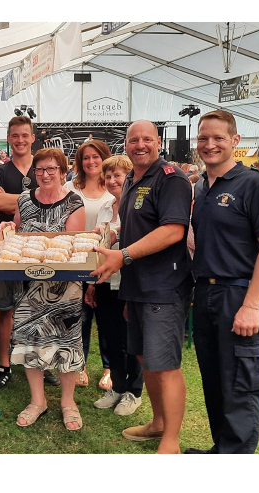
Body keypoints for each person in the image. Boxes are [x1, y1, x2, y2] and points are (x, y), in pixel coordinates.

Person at [92, 120, 192, 454]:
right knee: (145, 357)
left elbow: (173, 230)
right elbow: (139, 227)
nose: (140, 145)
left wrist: (122, 255)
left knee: (165, 364)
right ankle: (159, 422)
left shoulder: (171, 178)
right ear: (126, 145)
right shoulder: (133, 179)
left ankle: (171, 442)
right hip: (136, 286)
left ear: (158, 142)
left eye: (147, 139)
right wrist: (113, 237)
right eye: (133, 140)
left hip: (163, 286)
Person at [187, 109, 259, 454]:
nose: (209, 144)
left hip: (239, 293)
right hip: (206, 292)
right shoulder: (201, 185)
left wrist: (251, 304)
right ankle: (221, 451)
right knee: (214, 380)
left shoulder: (255, 184)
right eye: (203, 138)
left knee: (240, 383)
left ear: (235, 141)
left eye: (218, 138)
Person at [0, 147, 87, 431]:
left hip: (65, 288)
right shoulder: (24, 199)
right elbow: (17, 234)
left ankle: (68, 401)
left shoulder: (74, 201)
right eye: (39, 169)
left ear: (63, 172)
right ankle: (38, 400)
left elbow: (74, 247)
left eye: (51, 169)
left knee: (66, 341)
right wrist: (7, 230)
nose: (45, 174)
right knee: (30, 340)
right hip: (28, 286)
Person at [0, 116, 59, 391]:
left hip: (42, 249)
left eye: (24, 135)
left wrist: (13, 199)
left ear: (33, 137)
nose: (20, 140)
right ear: (9, 138)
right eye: (15, 135)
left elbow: (56, 195)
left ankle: (41, 361)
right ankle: (4, 365)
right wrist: (36, 198)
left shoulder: (43, 165)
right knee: (6, 308)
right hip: (9, 248)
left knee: (41, 305)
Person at [86, 155, 144, 416]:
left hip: (130, 281)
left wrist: (117, 233)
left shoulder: (138, 205)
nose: (112, 181)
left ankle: (134, 391)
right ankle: (117, 387)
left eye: (117, 175)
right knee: (111, 336)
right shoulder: (105, 207)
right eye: (108, 176)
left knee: (133, 338)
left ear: (129, 177)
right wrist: (92, 284)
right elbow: (99, 249)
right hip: (106, 280)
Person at [64, 139, 114, 389]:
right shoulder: (69, 188)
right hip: (77, 263)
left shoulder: (114, 186)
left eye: (96, 157)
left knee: (106, 319)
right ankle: (80, 365)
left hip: (108, 264)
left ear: (104, 158)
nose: (91, 162)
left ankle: (108, 368)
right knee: (80, 318)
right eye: (86, 157)